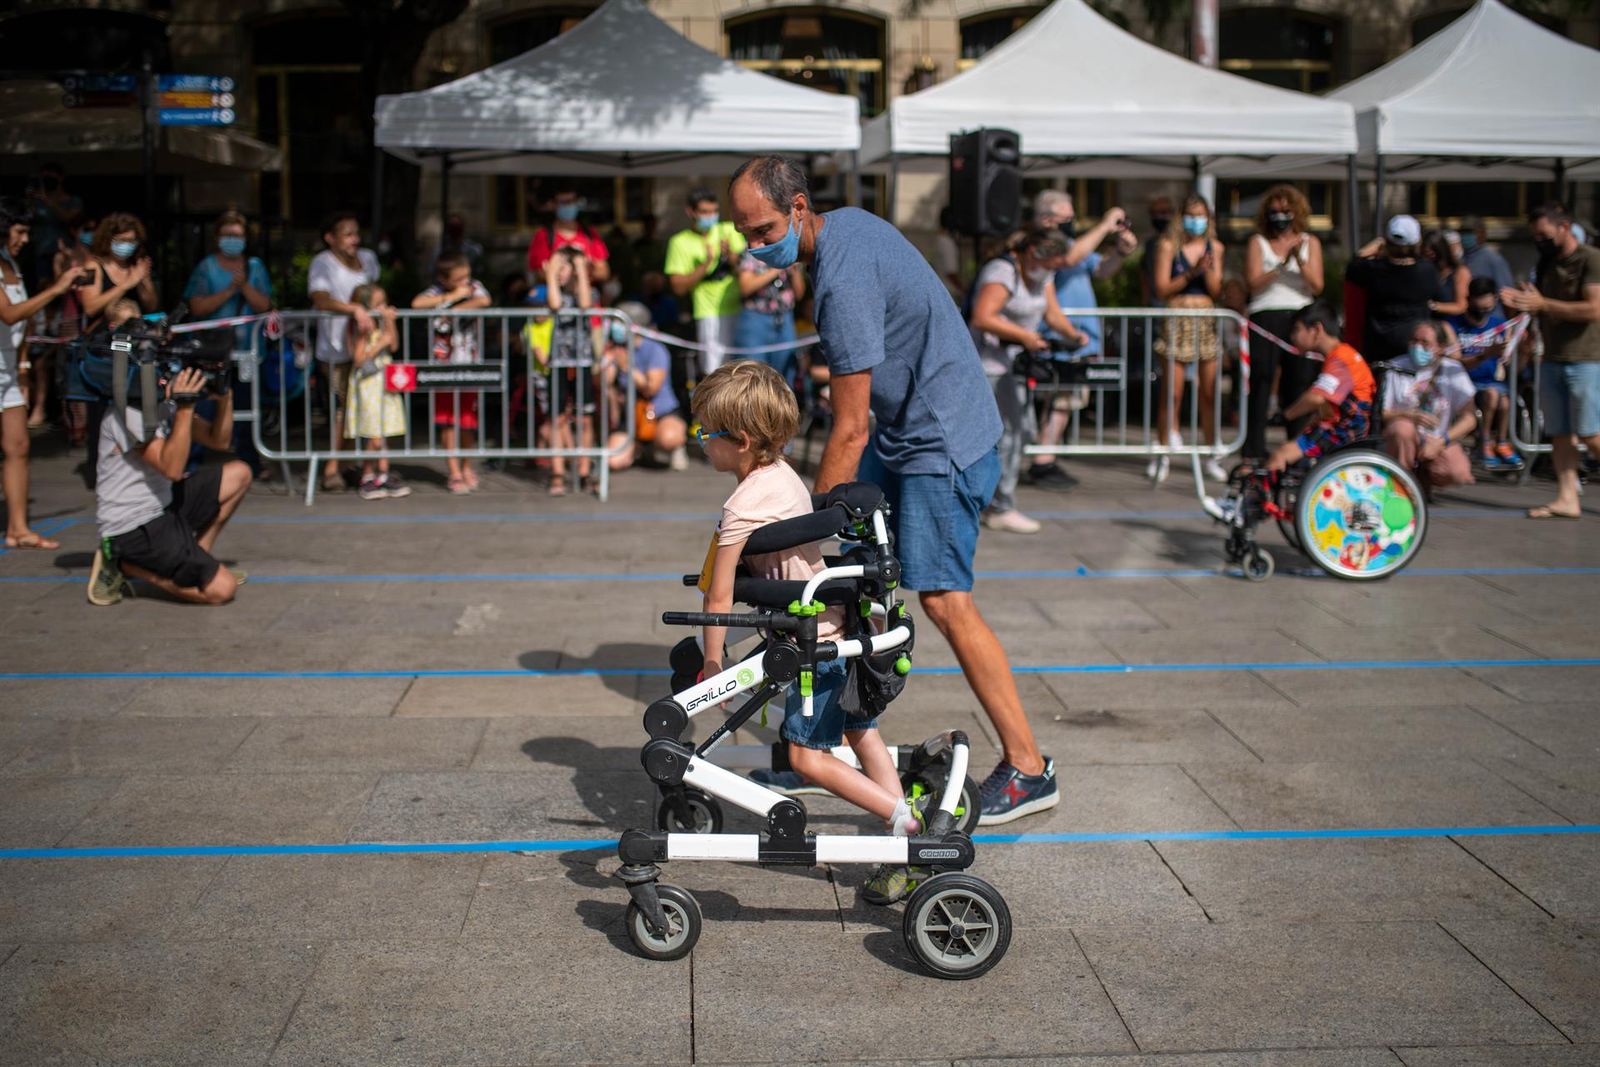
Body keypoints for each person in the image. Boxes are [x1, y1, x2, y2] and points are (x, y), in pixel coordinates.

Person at [727, 154, 1057, 839]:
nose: (754, 246)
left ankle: (1028, 766)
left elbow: (849, 428)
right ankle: (819, 741)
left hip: (937, 440)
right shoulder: (843, 228)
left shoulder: (840, 280)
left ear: (797, 209)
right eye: (744, 233)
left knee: (940, 598)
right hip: (916, 428)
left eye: (762, 230)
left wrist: (795, 529)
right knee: (854, 583)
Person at [692, 360, 927, 894]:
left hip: (810, 640)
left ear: (743, 440)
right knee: (859, 728)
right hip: (841, 623)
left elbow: (719, 593)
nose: (701, 440)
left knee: (806, 757)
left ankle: (907, 826)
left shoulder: (739, 507)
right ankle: (903, 828)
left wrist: (713, 663)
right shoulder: (783, 476)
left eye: (706, 432)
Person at [87, 364, 251, 608]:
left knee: (239, 474)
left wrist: (225, 397)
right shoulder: (128, 413)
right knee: (222, 589)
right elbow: (172, 469)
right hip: (133, 525)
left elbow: (220, 441)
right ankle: (127, 564)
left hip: (163, 505)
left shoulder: (166, 406)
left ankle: (198, 558)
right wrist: (185, 408)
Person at [967, 226, 1085, 534]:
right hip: (986, 365)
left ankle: (998, 501)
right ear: (1034, 253)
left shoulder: (1042, 274)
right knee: (1003, 434)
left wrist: (1073, 335)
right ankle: (996, 504)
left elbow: (1052, 314)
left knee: (1019, 431)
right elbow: (982, 315)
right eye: (1052, 264)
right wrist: (1025, 337)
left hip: (1013, 367)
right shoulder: (1002, 271)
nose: (1053, 271)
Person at [1029, 190, 1138, 489]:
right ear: (1047, 219)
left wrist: (1120, 252)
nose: (1071, 224)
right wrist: (1104, 226)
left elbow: (1101, 269)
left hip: (1079, 340)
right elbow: (1069, 258)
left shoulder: (1072, 244)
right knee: (1058, 400)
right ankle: (1042, 459)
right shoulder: (1047, 245)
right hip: (1057, 337)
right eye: (1067, 218)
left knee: (1066, 401)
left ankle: (1045, 455)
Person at [1501, 202, 1600, 520]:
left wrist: (1543, 303)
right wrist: (1519, 302)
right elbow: (1536, 308)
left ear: (1564, 227)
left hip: (1586, 358)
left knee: (1590, 433)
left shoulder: (1591, 259)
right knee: (1560, 432)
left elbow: (1594, 309)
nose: (1539, 240)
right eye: (1535, 235)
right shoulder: (1545, 262)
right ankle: (1567, 497)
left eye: (1543, 234)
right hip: (1553, 357)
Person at [0, 197, 86, 550]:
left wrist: (22, 366)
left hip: (6, 371)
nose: (24, 239)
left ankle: (18, 528)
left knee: (19, 447)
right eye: (19, 232)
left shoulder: (10, 264)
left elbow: (23, 324)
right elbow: (9, 314)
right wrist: (55, 288)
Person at [182, 211, 275, 476]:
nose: (233, 240)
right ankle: (191, 461)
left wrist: (244, 285)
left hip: (248, 351)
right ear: (217, 237)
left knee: (245, 406)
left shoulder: (254, 267)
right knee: (204, 404)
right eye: (228, 235)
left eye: (238, 235)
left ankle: (248, 460)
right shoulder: (206, 267)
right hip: (211, 351)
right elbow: (197, 306)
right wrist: (228, 291)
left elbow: (265, 305)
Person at [1243, 185, 1324, 461]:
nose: (1280, 216)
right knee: (1262, 381)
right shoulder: (1258, 242)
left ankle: (1297, 446)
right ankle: (1253, 448)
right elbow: (1252, 285)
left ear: (1297, 213)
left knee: (1299, 382)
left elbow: (1317, 286)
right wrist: (1280, 265)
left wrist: (1299, 261)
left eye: (1286, 211)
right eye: (1275, 211)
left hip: (1299, 316)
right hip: (1265, 314)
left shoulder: (1310, 242)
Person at [1150, 193, 1225, 483]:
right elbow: (1161, 288)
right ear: (1182, 217)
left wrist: (1207, 272)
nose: (1197, 221)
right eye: (1191, 215)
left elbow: (1216, 291)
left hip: (1205, 319)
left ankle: (1212, 454)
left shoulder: (1215, 247)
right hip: (1177, 317)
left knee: (1209, 392)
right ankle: (1163, 452)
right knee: (1173, 392)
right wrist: (1191, 272)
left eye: (1202, 215)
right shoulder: (1169, 245)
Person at [307, 211, 381, 492]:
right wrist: (353, 309)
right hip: (336, 346)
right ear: (331, 238)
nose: (354, 239)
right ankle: (332, 467)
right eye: (347, 234)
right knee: (342, 409)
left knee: (359, 407)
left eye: (356, 233)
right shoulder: (322, 263)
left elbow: (372, 293)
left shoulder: (369, 259)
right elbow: (320, 298)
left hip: (365, 344)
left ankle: (348, 464)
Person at [1262, 302, 1375, 481]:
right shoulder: (1340, 356)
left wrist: (1285, 416)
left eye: (1296, 330)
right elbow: (1325, 407)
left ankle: (1260, 505)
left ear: (1316, 329)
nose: (1293, 337)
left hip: (1345, 435)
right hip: (1340, 430)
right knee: (1285, 450)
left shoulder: (1341, 359)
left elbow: (1316, 398)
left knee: (1280, 457)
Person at [412, 252, 492, 494]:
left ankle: (467, 467)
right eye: (458, 279)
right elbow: (416, 304)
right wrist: (450, 297)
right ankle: (454, 471)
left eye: (467, 276)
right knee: (447, 421)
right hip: (442, 366)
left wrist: (455, 307)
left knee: (468, 421)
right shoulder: (436, 292)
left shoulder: (474, 288)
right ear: (444, 279)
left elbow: (484, 300)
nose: (465, 282)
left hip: (469, 364)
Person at [533, 246, 600, 496]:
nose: (560, 272)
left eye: (564, 267)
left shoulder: (586, 288)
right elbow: (555, 304)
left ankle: (583, 470)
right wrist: (551, 275)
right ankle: (558, 472)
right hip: (558, 361)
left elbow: (584, 303)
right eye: (557, 266)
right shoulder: (550, 290)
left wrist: (582, 269)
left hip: (581, 360)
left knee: (584, 418)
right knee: (556, 417)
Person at [1381, 320, 1476, 493]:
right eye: (1414, 341)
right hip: (1404, 436)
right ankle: (1401, 486)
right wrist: (1408, 415)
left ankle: (1423, 478)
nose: (1417, 347)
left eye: (1425, 343)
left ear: (1440, 347)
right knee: (1402, 429)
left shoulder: (1453, 370)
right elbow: (1382, 412)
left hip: (1436, 438)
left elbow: (1470, 419)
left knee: (1459, 472)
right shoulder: (1394, 367)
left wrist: (1442, 442)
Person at [665, 188, 746, 377]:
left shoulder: (728, 230)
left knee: (742, 369)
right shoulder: (679, 242)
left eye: (714, 211)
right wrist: (706, 264)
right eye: (704, 212)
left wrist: (731, 256)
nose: (711, 217)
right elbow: (678, 287)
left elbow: (746, 268)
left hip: (740, 308)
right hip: (708, 311)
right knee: (715, 372)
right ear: (691, 212)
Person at [343, 284, 410, 501]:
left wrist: (389, 321)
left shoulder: (381, 324)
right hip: (368, 384)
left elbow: (394, 345)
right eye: (378, 304)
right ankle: (368, 475)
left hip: (384, 381)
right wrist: (378, 343)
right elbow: (359, 358)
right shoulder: (359, 328)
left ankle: (383, 473)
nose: (383, 307)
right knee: (374, 434)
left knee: (383, 432)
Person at [604, 301, 687, 472]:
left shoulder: (655, 349)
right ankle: (639, 450)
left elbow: (651, 389)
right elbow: (604, 383)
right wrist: (607, 364)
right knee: (613, 460)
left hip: (659, 412)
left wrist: (627, 368)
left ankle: (671, 447)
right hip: (630, 416)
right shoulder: (616, 349)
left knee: (669, 438)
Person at [1346, 215, 1438, 366]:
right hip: (1415, 349)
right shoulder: (1427, 270)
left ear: (1387, 241)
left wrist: (1375, 246)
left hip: (1378, 348)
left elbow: (1354, 264)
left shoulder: (1371, 270)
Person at [1451, 277, 1518, 471]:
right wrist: (1485, 353)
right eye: (1479, 304)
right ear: (1470, 299)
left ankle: (1502, 441)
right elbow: (1456, 361)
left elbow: (1511, 361)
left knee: (1504, 401)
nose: (1484, 311)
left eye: (1488, 306)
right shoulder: (1455, 325)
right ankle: (1485, 441)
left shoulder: (1499, 325)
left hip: (1492, 381)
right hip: (1466, 381)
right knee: (1492, 395)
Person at [733, 245, 805, 383]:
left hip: (784, 319)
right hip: (756, 320)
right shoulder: (751, 252)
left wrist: (794, 272)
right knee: (753, 376)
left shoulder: (787, 251)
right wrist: (776, 269)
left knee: (784, 377)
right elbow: (746, 287)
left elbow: (799, 294)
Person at [526, 187, 609, 283]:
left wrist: (581, 272)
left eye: (571, 201)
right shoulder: (543, 236)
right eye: (563, 202)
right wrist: (561, 275)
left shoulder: (590, 233)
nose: (568, 206)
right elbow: (538, 274)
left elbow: (604, 272)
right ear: (553, 205)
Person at [1459, 215, 1515, 296]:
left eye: (1470, 232)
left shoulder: (1494, 259)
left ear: (1482, 233)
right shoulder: (1462, 259)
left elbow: (1506, 292)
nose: (1465, 236)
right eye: (1463, 232)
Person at [1423, 228, 1470, 319]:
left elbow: (1462, 306)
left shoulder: (1459, 272)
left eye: (1432, 255)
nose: (1429, 260)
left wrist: (1434, 306)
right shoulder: (1427, 271)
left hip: (1453, 325)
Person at [933, 205, 964, 303]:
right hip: (949, 293)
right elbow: (951, 272)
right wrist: (963, 290)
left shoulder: (938, 240)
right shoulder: (947, 243)